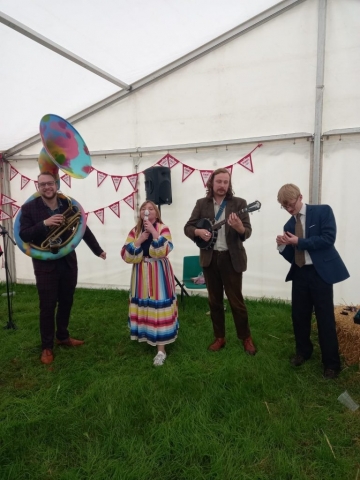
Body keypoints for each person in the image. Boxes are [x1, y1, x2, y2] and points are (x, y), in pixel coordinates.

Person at [19, 172, 106, 365]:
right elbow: (24, 235)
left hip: (67, 261)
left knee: (67, 301)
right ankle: (47, 347)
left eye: (50, 183)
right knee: (47, 306)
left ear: (56, 184)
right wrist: (45, 224)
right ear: (38, 187)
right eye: (43, 184)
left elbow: (82, 227)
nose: (47, 187)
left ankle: (63, 336)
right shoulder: (28, 209)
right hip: (45, 265)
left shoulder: (67, 205)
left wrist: (97, 250)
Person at [276, 183, 349, 379]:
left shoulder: (323, 211)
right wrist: (283, 247)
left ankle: (331, 363)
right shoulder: (289, 225)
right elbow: (294, 256)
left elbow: (328, 239)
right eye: (285, 208)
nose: (290, 210)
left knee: (325, 318)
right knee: (299, 316)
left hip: (320, 273)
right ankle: (303, 352)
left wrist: (298, 241)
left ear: (300, 197)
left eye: (291, 205)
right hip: (300, 273)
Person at [184, 168, 256, 355]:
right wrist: (198, 232)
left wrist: (240, 227)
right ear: (211, 183)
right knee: (214, 301)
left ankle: (245, 337)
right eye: (219, 182)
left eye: (226, 182)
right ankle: (220, 337)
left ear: (229, 184)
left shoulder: (240, 204)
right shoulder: (202, 204)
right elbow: (188, 227)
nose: (222, 185)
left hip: (231, 258)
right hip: (210, 258)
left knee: (236, 302)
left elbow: (247, 231)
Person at [121, 200, 178, 366]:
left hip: (159, 272)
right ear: (140, 213)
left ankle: (161, 350)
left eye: (151, 208)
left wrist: (153, 232)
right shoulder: (135, 230)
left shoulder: (163, 228)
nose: (147, 211)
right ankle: (147, 335)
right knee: (145, 305)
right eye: (144, 208)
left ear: (156, 213)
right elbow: (126, 255)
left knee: (159, 306)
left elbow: (164, 250)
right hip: (140, 273)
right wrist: (139, 240)